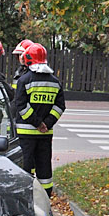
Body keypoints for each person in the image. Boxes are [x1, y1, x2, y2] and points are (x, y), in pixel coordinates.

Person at [11, 43, 65, 196]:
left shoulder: (24, 80)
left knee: (26, 166)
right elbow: (60, 106)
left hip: (25, 134)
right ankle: (46, 198)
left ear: (28, 60)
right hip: (45, 134)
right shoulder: (55, 82)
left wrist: (36, 123)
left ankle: (26, 196)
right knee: (44, 168)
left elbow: (20, 105)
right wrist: (46, 124)